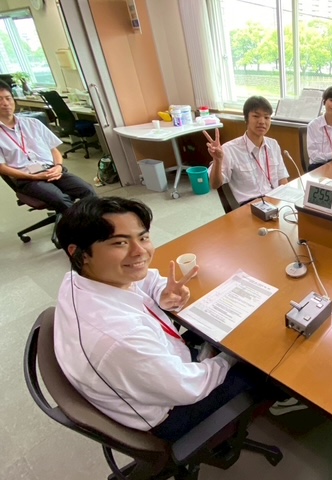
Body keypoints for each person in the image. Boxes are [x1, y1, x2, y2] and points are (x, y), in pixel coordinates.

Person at [54, 196, 263, 442]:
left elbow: (147, 277)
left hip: (158, 372)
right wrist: (231, 355)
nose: (140, 251)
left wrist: (163, 293)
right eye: (120, 243)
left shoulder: (86, 278)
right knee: (264, 363)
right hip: (169, 413)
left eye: (143, 238)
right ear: (79, 254)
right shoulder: (120, 337)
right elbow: (188, 388)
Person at [0, 81, 95, 213]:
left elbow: (54, 150)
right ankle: (79, 224)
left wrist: (58, 166)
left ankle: (95, 221)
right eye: (0, 99)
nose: (5, 103)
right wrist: (34, 177)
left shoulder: (33, 123)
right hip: (27, 178)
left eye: (8, 98)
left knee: (88, 190)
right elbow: (2, 168)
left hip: (52, 170)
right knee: (61, 199)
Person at [206, 96, 289, 205]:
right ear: (246, 119)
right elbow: (214, 184)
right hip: (250, 205)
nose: (262, 121)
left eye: (266, 117)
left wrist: (287, 202)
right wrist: (217, 161)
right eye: (256, 116)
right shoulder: (230, 149)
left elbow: (282, 179)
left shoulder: (273, 144)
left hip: (275, 199)